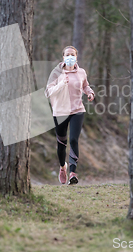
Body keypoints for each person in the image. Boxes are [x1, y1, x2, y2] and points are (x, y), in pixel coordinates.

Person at [44, 46, 95, 185]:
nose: (70, 56)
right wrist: (61, 84)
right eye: (67, 54)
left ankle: (73, 172)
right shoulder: (56, 72)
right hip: (60, 112)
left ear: (76, 57)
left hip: (77, 110)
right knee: (61, 144)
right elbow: (48, 93)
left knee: (73, 140)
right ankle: (63, 167)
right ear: (63, 57)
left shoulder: (82, 72)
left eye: (72, 54)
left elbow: (85, 86)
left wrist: (90, 93)